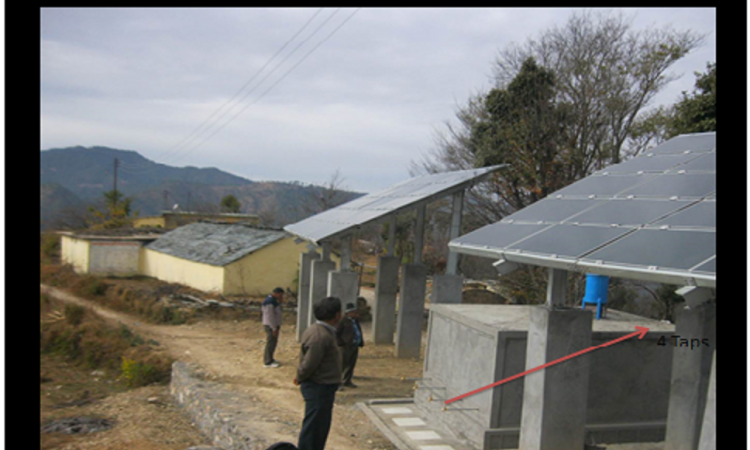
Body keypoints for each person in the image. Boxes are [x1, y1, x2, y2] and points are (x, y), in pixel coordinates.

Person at [293, 296, 343, 450]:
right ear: (336, 315)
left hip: (323, 386)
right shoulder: (320, 336)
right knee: (314, 428)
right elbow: (309, 363)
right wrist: (299, 376)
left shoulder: (319, 331)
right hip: (318, 386)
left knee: (319, 427)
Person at [336, 302, 364, 389]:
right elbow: (336, 333)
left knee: (351, 364)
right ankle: (338, 383)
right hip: (345, 346)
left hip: (354, 345)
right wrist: (340, 343)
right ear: (349, 313)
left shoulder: (355, 321)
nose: (356, 314)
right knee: (342, 364)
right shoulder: (342, 321)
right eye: (354, 312)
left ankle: (347, 381)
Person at [262, 287, 284, 368]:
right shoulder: (270, 302)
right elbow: (270, 317)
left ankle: (271, 358)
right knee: (270, 343)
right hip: (271, 325)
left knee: (273, 342)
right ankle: (267, 361)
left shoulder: (274, 301)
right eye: (280, 295)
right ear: (276, 293)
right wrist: (274, 328)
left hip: (274, 325)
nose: (281, 297)